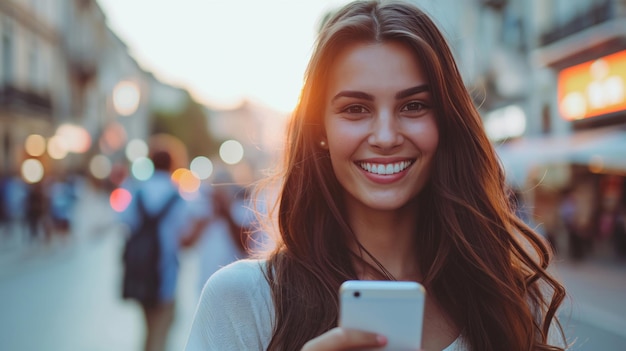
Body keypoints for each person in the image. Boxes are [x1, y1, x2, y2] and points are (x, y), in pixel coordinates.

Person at [185, 1, 568, 350]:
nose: (385, 137)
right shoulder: (241, 301)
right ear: (321, 131)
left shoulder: (506, 296)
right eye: (355, 109)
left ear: (445, 123)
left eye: (414, 105)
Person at [120, 148, 189, 351]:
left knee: (149, 328)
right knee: (161, 328)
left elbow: (125, 222)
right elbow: (183, 234)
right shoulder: (176, 195)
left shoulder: (137, 190)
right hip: (165, 271)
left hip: (140, 271)